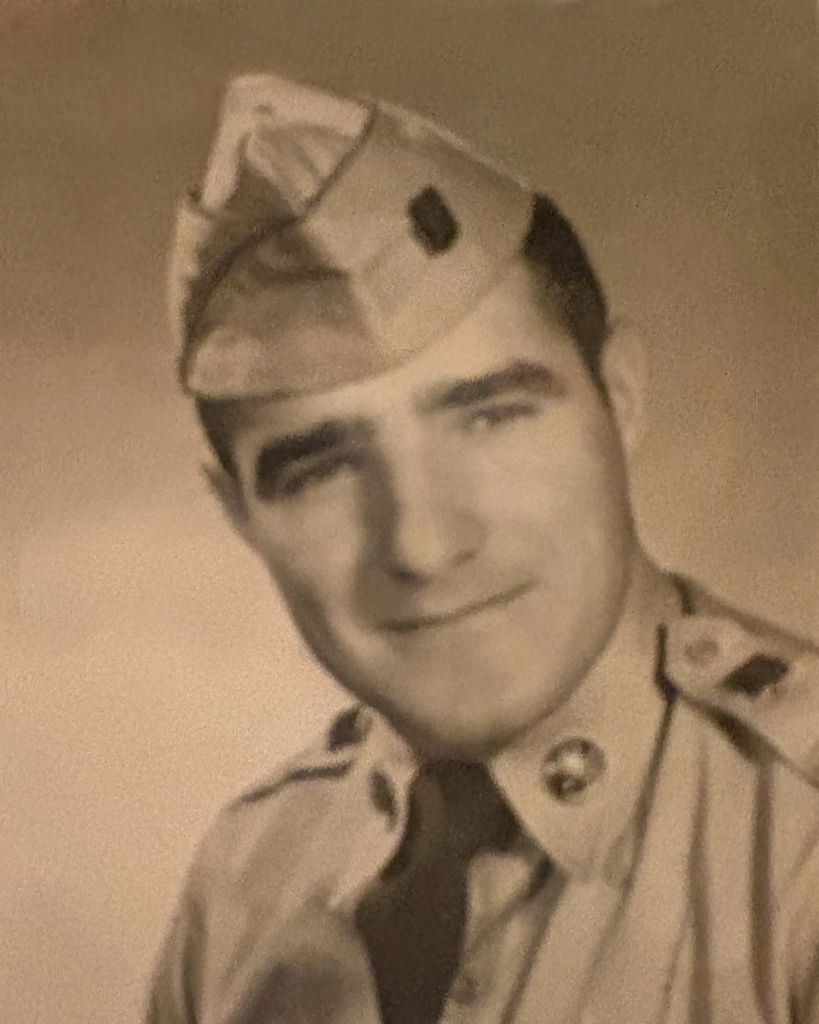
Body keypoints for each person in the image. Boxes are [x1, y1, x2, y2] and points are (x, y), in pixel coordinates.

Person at [146, 72, 819, 1024]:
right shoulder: (246, 880)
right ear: (240, 516)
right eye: (322, 470)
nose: (422, 544)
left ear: (620, 399)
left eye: (491, 418)